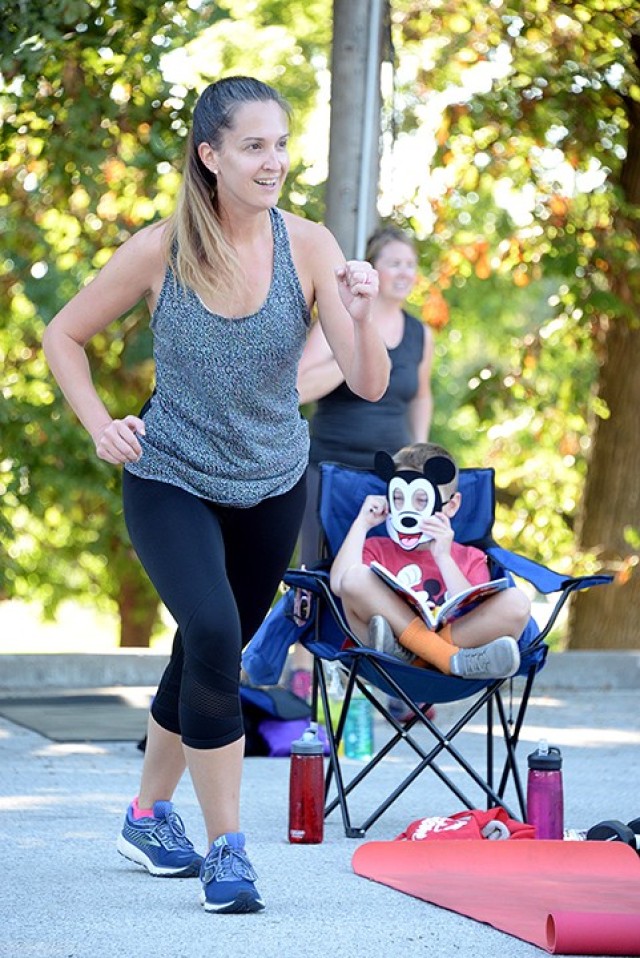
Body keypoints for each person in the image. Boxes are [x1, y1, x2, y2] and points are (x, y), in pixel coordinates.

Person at [42, 75, 389, 915]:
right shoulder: (161, 248)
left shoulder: (309, 246)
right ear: (210, 155)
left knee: (207, 651)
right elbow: (64, 334)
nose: (273, 161)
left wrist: (359, 310)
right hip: (170, 476)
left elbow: (370, 384)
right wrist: (99, 425)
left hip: (271, 484)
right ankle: (228, 848)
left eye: (280, 143)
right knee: (210, 629)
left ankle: (145, 812)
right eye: (254, 145)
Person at [287, 226, 433, 699]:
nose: (403, 272)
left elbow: (421, 396)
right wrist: (357, 350)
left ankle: (397, 680)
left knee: (392, 573)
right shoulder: (341, 319)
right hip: (328, 467)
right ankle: (304, 678)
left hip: (392, 477)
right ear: (372, 269)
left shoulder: (419, 334)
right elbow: (299, 385)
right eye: (393, 262)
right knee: (317, 571)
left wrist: (421, 458)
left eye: (410, 264)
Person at [330, 442, 531, 680]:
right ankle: (446, 658)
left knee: (517, 602)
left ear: (452, 505)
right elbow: (339, 584)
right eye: (398, 497)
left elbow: (472, 607)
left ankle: (421, 657)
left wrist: (443, 557)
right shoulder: (375, 548)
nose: (409, 510)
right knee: (354, 577)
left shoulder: (470, 557)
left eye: (422, 500)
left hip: (447, 643)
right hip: (389, 659)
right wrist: (362, 523)